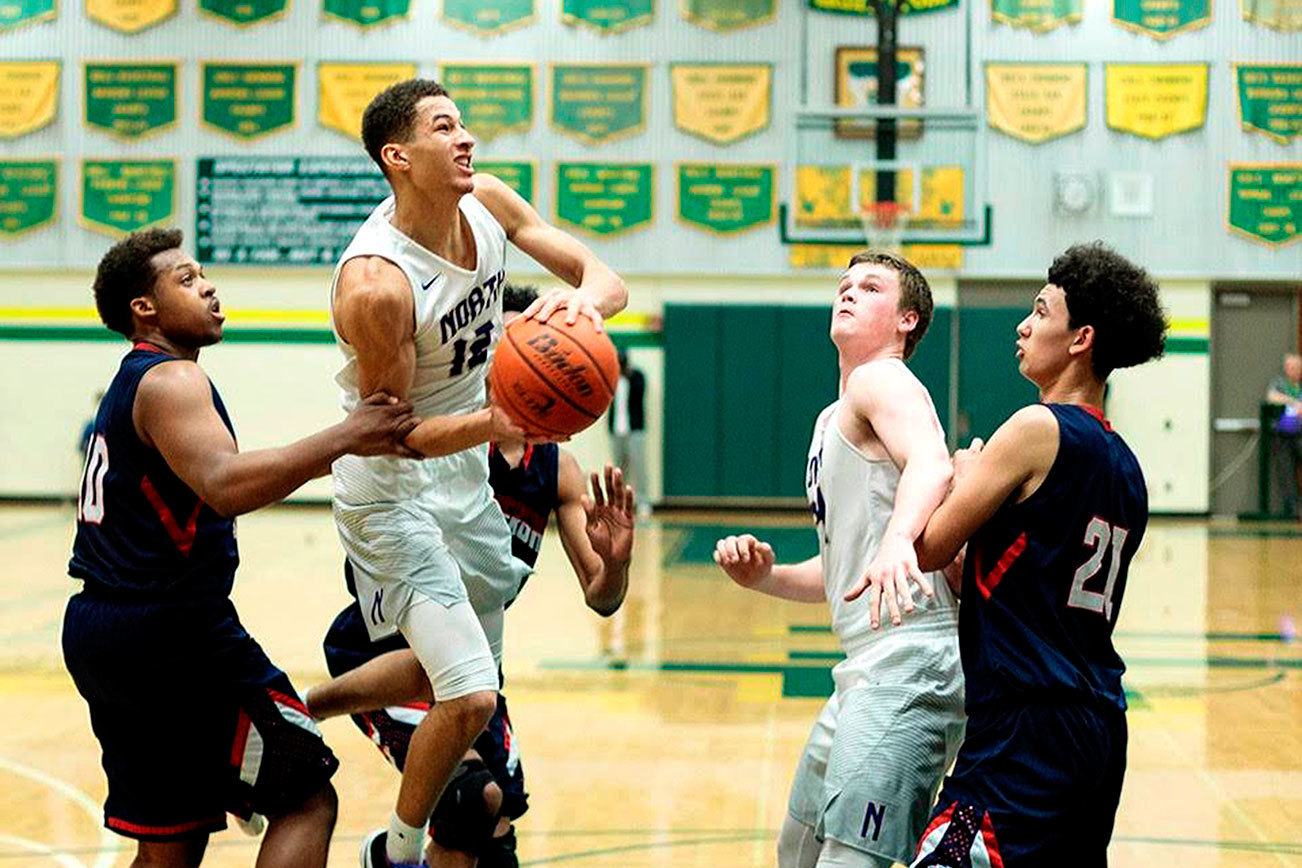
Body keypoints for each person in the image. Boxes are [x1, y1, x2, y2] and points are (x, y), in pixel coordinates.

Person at [318, 79, 627, 868]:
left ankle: (293, 707)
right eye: (444, 127)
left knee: (450, 668)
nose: (467, 140)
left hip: (463, 475)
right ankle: (398, 852)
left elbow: (604, 278)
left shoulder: (486, 202)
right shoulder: (377, 285)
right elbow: (388, 432)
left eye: (464, 125)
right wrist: (494, 422)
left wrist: (577, 311)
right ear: (398, 157)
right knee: (471, 694)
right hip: (389, 490)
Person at [63, 228, 419, 868]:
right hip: (171, 633)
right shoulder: (170, 379)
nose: (209, 287)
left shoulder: (135, 384)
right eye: (188, 279)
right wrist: (347, 436)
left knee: (172, 840)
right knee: (306, 794)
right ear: (144, 309)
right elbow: (226, 485)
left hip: (103, 628)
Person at [910, 242, 1167, 867]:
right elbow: (1003, 585)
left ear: (1080, 338)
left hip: (1021, 739)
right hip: (1098, 731)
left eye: (1040, 311)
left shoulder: (1033, 428)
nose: (1024, 325)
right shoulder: (1128, 468)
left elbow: (926, 546)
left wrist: (956, 474)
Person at [714, 251, 965, 868]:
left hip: (912, 659)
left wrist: (900, 539)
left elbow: (933, 463)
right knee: (797, 849)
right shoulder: (836, 414)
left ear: (907, 321)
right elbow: (845, 574)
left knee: (847, 861)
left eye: (871, 287)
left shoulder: (883, 379)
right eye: (844, 284)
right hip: (866, 665)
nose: (848, 293)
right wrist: (764, 576)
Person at [608, 349, 648, 517]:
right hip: (617, 430)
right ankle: (619, 502)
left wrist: (628, 376)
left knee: (639, 467)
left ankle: (643, 501)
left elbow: (640, 391)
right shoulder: (612, 379)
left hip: (634, 430)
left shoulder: (636, 377)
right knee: (619, 470)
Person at [1266, 353, 1302, 519]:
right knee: (1286, 473)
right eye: (1289, 367)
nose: (1292, 370)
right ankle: (1294, 510)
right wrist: (1293, 402)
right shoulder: (1280, 383)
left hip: (1300, 435)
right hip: (1283, 436)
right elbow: (1271, 397)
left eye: (1295, 367)